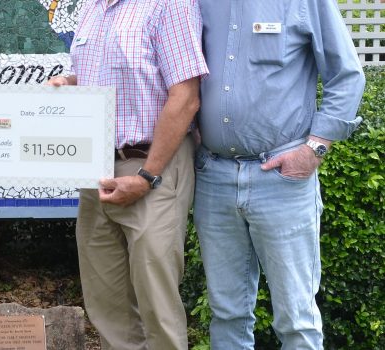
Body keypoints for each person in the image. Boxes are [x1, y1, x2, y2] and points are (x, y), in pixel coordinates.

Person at [195, 1, 365, 348]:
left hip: (282, 181)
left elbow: (346, 75)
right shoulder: (198, 4)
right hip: (214, 178)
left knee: (296, 319)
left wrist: (314, 149)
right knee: (227, 313)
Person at [47, 0, 208, 348]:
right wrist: (70, 84)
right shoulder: (92, 7)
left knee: (157, 302)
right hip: (96, 168)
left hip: (153, 165)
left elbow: (185, 96)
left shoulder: (171, 5)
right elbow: (104, 76)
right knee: (107, 302)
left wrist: (146, 176)